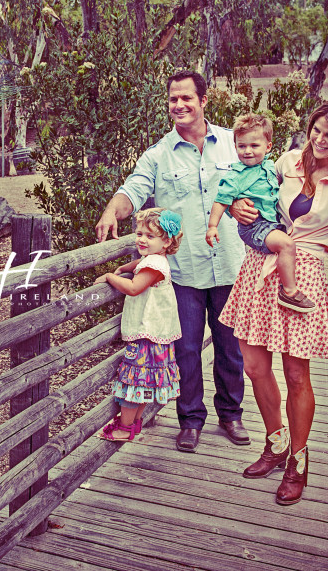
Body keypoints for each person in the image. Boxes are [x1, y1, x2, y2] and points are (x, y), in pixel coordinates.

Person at [218, 97, 328, 506]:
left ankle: (298, 461)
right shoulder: (287, 162)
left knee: (296, 375)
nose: (320, 140)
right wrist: (236, 206)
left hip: (304, 273)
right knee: (252, 364)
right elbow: (248, 184)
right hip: (260, 264)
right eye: (317, 131)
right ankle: (275, 442)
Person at [95, 70, 255, 453]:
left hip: (230, 264)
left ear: (203, 100)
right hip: (184, 271)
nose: (179, 105)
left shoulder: (232, 146)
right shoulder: (157, 155)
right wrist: (111, 212)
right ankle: (191, 420)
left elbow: (260, 183)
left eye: (186, 98)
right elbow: (132, 191)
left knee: (230, 347)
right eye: (173, 99)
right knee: (184, 349)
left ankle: (231, 414)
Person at [206, 113, 314, 314]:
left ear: (268, 147)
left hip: (270, 224)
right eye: (241, 146)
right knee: (286, 244)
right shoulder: (236, 176)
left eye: (254, 146)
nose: (247, 151)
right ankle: (289, 292)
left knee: (291, 244)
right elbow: (221, 200)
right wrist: (213, 226)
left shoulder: (269, 167)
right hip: (253, 226)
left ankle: (274, 294)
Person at [95, 207, 183, 442]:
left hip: (147, 333)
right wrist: (125, 268)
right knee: (144, 383)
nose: (142, 239)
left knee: (135, 380)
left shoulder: (154, 265)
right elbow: (141, 265)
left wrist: (110, 277)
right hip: (156, 333)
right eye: (140, 234)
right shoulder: (155, 259)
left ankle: (124, 428)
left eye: (150, 236)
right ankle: (133, 423)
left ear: (166, 241)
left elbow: (134, 288)